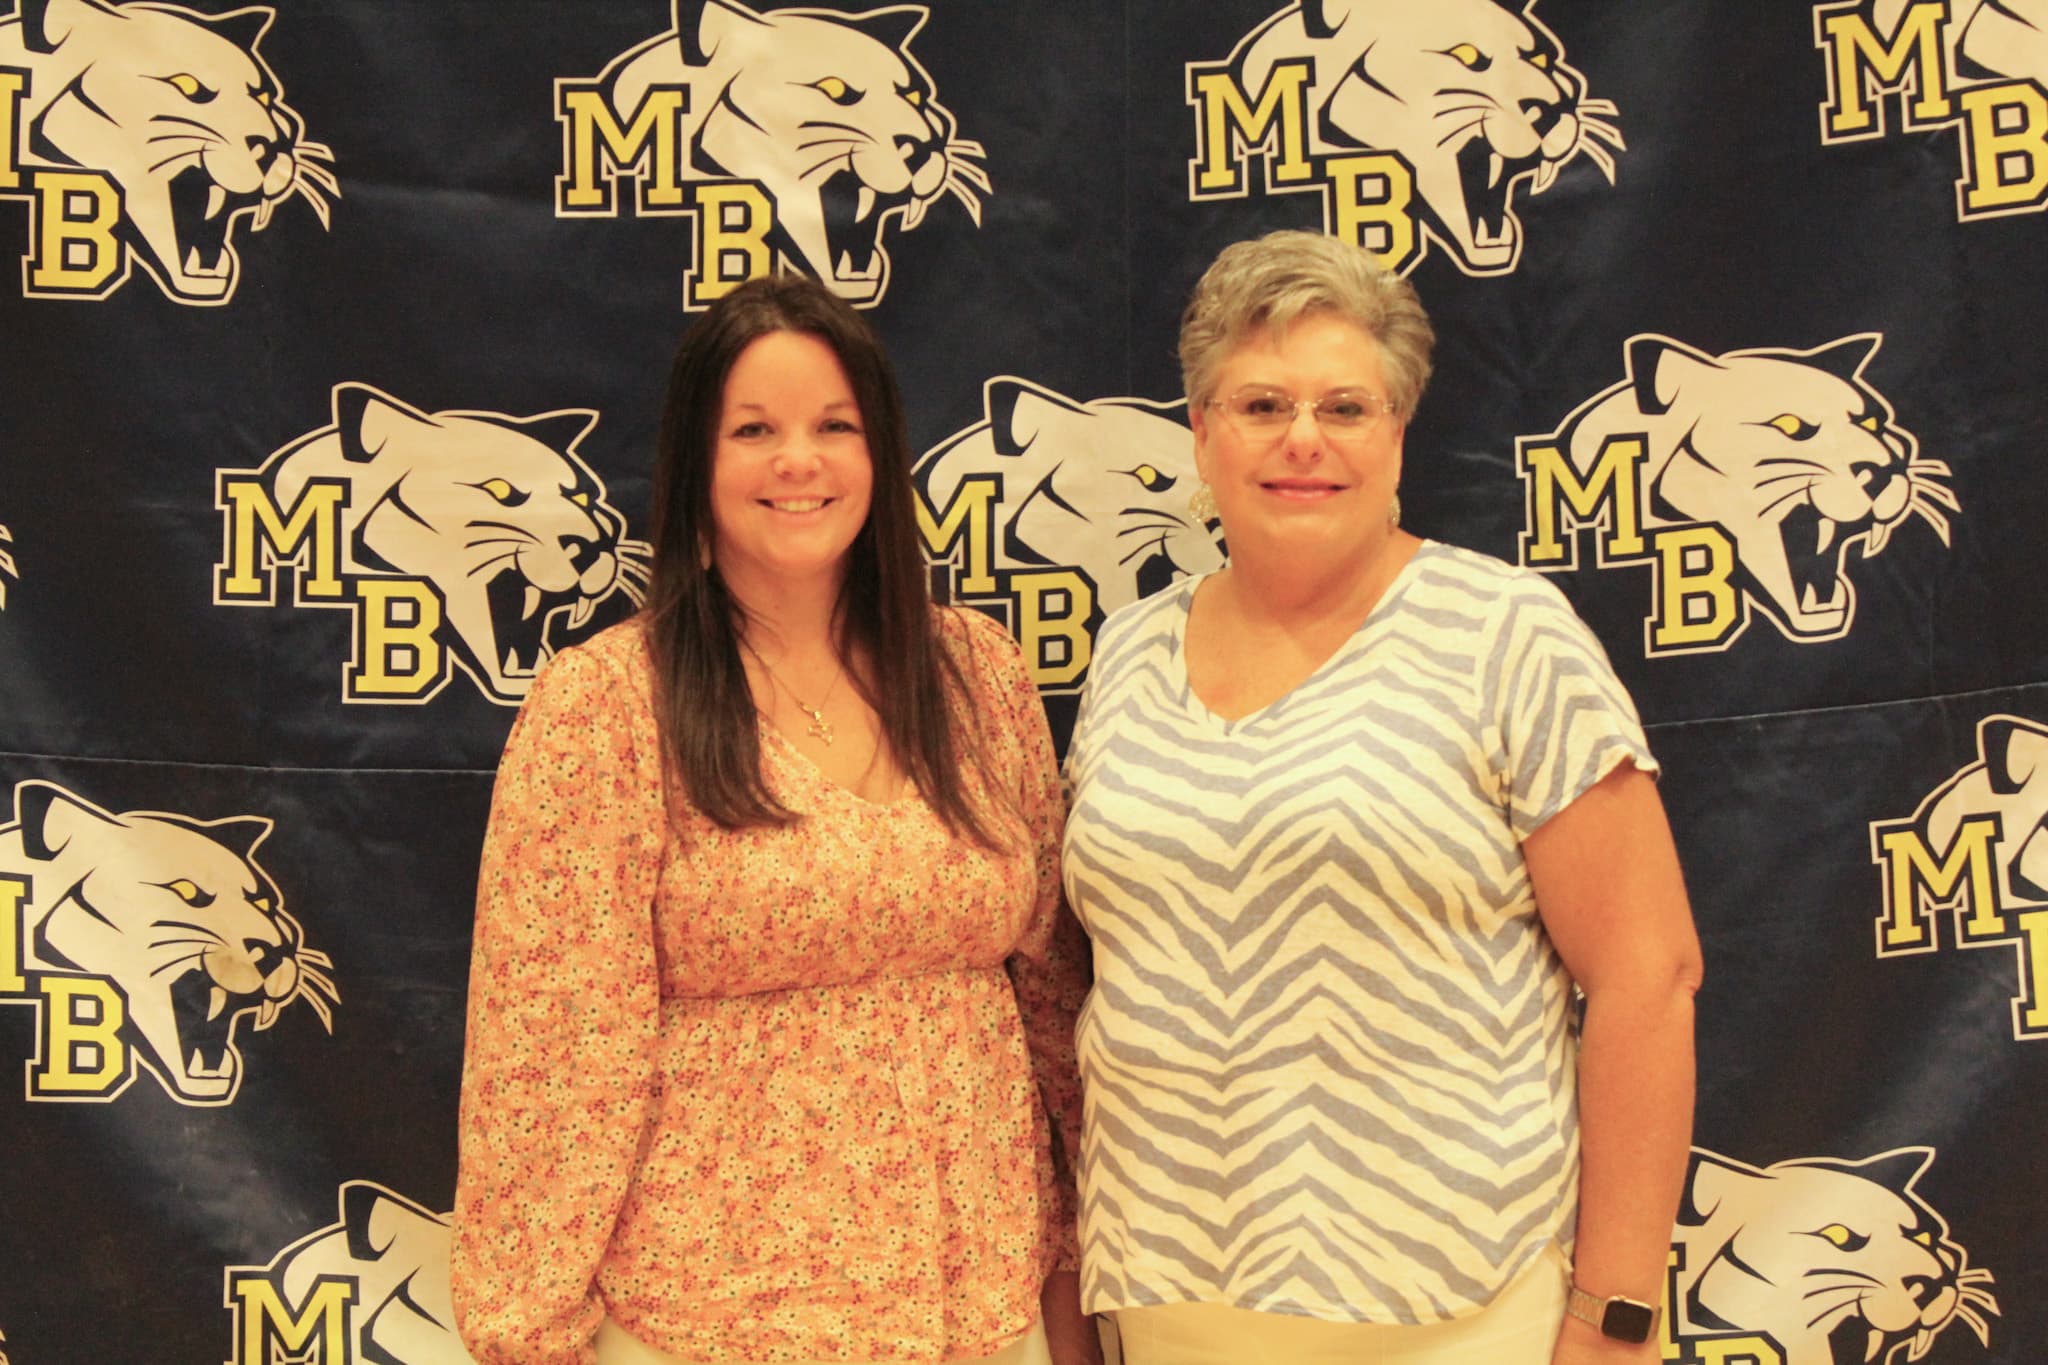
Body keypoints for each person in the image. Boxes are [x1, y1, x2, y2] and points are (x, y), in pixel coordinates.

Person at [1061, 231, 1702, 1365]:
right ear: (1201, 435)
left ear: (1398, 431)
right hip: (1168, 1305)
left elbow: (1646, 980)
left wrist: (1614, 1319)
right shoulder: (1126, 651)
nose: (1301, 438)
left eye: (1344, 407)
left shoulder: (1506, 636)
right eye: (1260, 404)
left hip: (1455, 1305)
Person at [450, 274, 1097, 1365]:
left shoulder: (979, 677)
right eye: (754, 429)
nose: (797, 461)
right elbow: (548, 1060)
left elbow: (1051, 1001)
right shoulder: (606, 706)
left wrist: (1077, 1266)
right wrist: (530, 1329)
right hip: (712, 1317)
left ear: (880, 455)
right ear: (695, 465)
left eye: (833, 427)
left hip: (981, 1300)